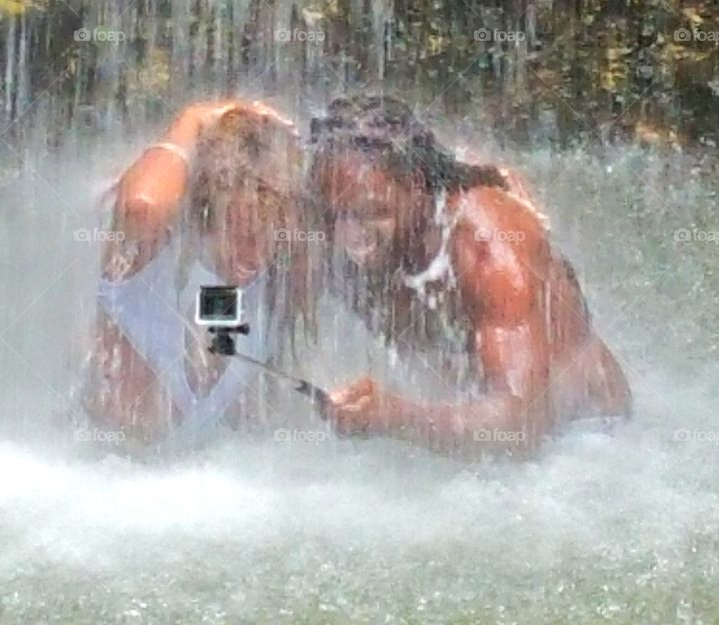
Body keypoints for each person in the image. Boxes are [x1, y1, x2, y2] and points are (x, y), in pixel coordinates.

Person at [310, 94, 632, 458]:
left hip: (582, 439)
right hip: (472, 434)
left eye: (372, 213)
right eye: (335, 215)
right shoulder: (333, 231)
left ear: (416, 185)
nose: (349, 237)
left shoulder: (490, 246)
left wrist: (396, 416)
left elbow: (521, 425)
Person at [82, 99, 315, 451]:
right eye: (239, 232)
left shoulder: (277, 282)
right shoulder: (144, 270)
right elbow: (142, 206)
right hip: (103, 479)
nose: (254, 252)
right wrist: (193, 118)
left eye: (270, 235)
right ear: (204, 216)